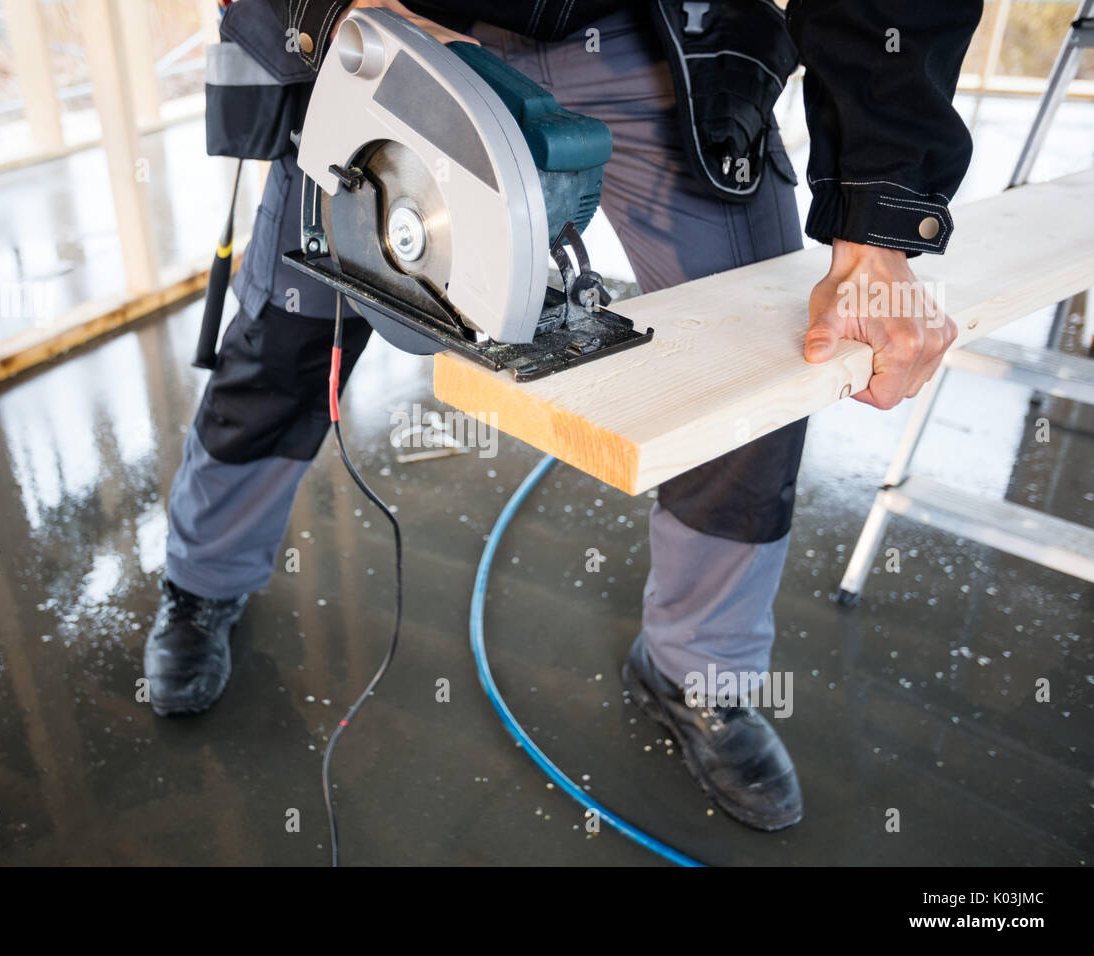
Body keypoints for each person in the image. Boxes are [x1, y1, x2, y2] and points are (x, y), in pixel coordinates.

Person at [143, 0, 981, 832]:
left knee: (758, 372)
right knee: (286, 338)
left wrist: (880, 225)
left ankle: (699, 671)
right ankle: (201, 580)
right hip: (394, 22)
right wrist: (326, 18)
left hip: (654, 32)